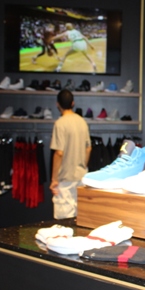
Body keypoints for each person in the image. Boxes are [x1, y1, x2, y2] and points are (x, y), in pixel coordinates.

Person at [50, 89, 91, 219]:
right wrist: (83, 165)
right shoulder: (82, 121)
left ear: (57, 104)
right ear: (73, 103)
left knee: (64, 220)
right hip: (81, 176)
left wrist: (54, 179)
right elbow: (88, 148)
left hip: (65, 178)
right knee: (81, 217)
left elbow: (59, 153)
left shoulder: (60, 123)